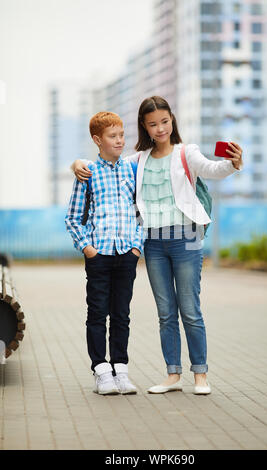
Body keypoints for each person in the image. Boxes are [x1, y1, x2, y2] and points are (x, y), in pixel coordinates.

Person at [72, 96, 243, 395]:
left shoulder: (186, 153)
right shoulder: (137, 160)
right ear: (145, 128)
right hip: (153, 244)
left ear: (172, 120)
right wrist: (76, 163)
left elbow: (212, 169)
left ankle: (200, 375)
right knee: (165, 312)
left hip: (186, 240)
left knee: (190, 309)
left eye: (165, 121)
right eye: (153, 124)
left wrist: (232, 163)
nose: (160, 128)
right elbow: (102, 164)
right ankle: (172, 375)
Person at [65, 111, 145, 395]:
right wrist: (87, 248)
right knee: (98, 313)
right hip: (99, 255)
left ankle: (120, 369)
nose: (120, 140)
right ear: (98, 140)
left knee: (121, 314)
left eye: (122, 135)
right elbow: (73, 217)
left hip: (126, 253)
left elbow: (141, 213)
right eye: (113, 136)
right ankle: (102, 372)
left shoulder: (132, 170)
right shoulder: (87, 172)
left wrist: (137, 247)